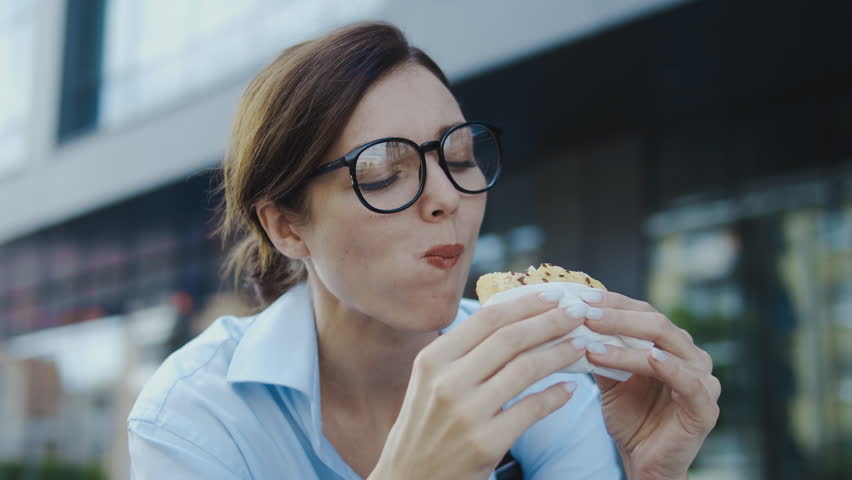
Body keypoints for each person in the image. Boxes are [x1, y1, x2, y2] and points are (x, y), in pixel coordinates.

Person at [127, 21, 719, 479]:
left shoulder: (535, 370)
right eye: (383, 171)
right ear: (286, 227)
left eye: (459, 156)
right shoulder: (195, 416)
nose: (446, 197)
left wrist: (650, 472)